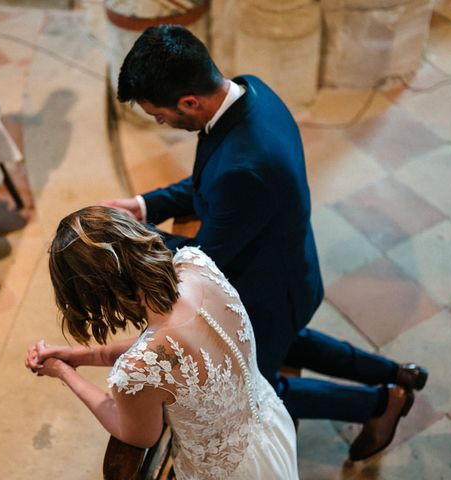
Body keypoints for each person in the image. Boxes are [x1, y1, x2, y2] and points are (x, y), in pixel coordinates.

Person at [103, 24, 427, 461]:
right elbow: (210, 184)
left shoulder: (247, 168)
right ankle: (398, 372)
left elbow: (204, 258)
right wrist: (145, 206)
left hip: (268, 291)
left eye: (159, 115)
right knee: (295, 340)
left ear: (189, 103)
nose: (160, 123)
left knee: (252, 391)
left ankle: (381, 403)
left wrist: (126, 237)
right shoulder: (249, 92)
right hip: (288, 269)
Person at [25, 206, 299, 479]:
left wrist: (64, 373)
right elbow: (171, 352)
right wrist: (80, 355)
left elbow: (137, 436)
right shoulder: (196, 264)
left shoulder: (135, 372)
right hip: (270, 428)